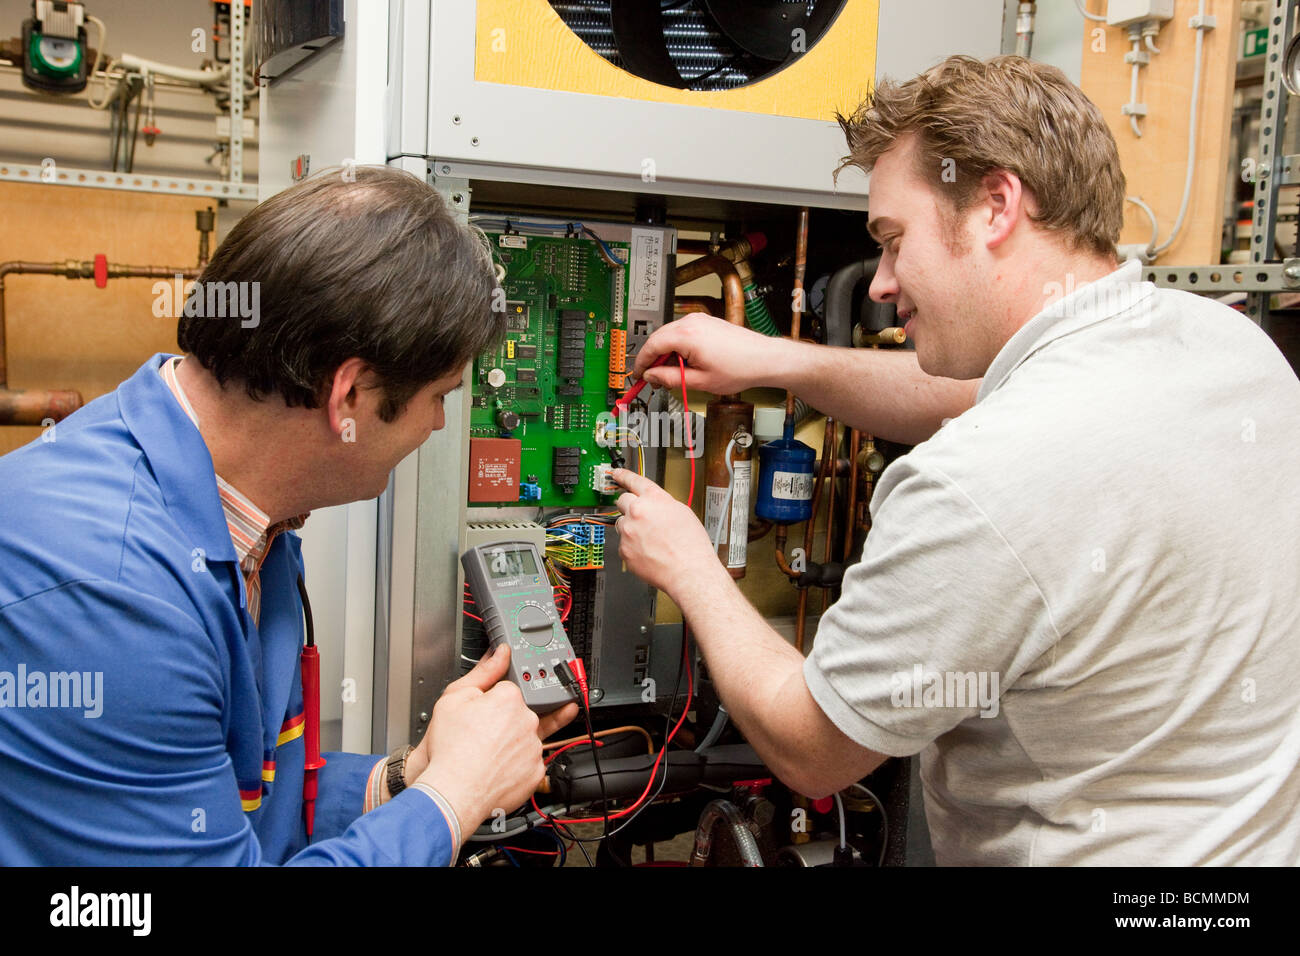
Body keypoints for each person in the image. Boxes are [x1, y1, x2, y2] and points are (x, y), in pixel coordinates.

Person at [611, 55, 1300, 865]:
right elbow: (1000, 402)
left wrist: (689, 563)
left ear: (996, 207)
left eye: (894, 242)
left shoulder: (980, 483)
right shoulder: (1225, 347)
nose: (881, 282)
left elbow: (813, 747)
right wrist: (781, 361)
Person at [0, 166, 576, 865]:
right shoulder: (110, 591)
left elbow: (238, 800)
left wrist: (411, 773)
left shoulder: (244, 519)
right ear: (350, 394)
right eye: (440, 395)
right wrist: (452, 799)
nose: (437, 423)